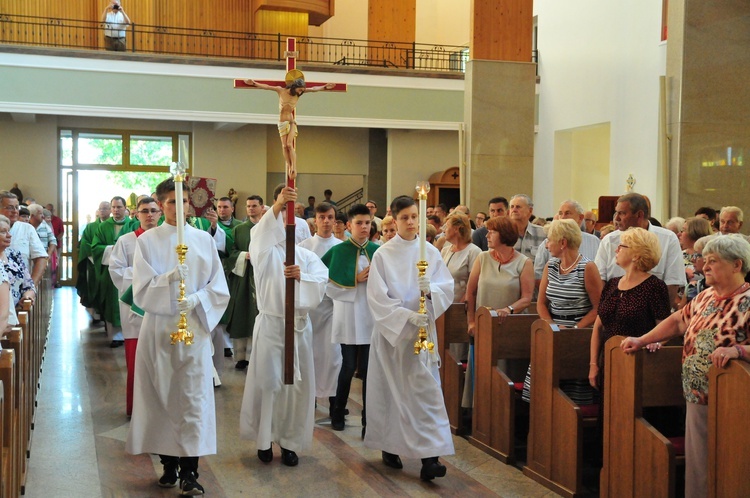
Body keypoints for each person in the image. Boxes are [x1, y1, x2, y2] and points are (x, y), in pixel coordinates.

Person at [620, 234, 750, 498]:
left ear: (737, 265)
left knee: (733, 464)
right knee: (699, 462)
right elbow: (679, 321)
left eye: (714, 261)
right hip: (697, 394)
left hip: (736, 401)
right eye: (705, 260)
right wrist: (642, 340)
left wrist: (738, 350)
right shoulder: (704, 297)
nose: (704, 266)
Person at [126, 178, 229, 496]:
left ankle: (191, 471)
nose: (177, 208)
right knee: (162, 396)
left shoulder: (203, 240)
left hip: (195, 329)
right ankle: (168, 466)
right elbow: (141, 290)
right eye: (170, 202)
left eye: (183, 202)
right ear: (160, 205)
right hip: (159, 329)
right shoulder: (148, 241)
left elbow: (218, 286)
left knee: (192, 398)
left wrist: (197, 299)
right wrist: (168, 279)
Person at [365, 195, 455, 481]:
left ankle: (431, 458)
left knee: (426, 393)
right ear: (393, 219)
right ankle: (390, 446)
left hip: (423, 336)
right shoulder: (383, 254)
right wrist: (404, 317)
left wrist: (432, 292)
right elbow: (378, 298)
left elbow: (446, 288)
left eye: (415, 216)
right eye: (404, 217)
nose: (411, 222)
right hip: (395, 336)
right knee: (394, 394)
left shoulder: (430, 251)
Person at [239, 185, 327, 467]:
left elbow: (321, 283)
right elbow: (260, 234)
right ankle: (265, 440)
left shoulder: (307, 256)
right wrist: (277, 204)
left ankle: (289, 443)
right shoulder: (264, 252)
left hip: (299, 328)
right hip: (273, 326)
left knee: (295, 389)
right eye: (279, 222)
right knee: (270, 383)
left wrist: (303, 277)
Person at [522, 219, 603, 404]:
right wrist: (551, 327)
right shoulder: (551, 266)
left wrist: (574, 329)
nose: (546, 244)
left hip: (578, 332)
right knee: (541, 393)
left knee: (571, 396)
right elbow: (541, 303)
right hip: (552, 331)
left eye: (549, 240)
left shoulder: (587, 267)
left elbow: (599, 308)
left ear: (563, 242)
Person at [589, 227, 672, 390]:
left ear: (637, 254)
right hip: (609, 360)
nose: (616, 249)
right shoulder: (612, 284)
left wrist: (656, 343)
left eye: (622, 246)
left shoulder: (655, 286)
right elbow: (598, 327)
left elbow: (665, 328)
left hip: (637, 362)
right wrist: (593, 363)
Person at [321, 204, 378, 436]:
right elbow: (326, 286)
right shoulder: (339, 251)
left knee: (366, 369)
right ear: (348, 226)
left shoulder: (378, 250)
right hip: (347, 315)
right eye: (359, 223)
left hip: (370, 317)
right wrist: (354, 279)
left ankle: (368, 419)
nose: (364, 227)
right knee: (346, 367)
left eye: (367, 223)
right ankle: (337, 411)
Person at [465, 215, 534, 406]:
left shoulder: (523, 262)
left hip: (509, 328)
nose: (487, 235)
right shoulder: (483, 258)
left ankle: (505, 414)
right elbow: (470, 293)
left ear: (504, 235)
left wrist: (509, 309)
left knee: (505, 374)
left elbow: (527, 298)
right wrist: (471, 321)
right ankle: (480, 415)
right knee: (483, 371)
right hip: (484, 326)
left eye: (492, 232)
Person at [108, 197, 160, 416]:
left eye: (153, 211)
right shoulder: (126, 241)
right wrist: (145, 277)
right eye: (144, 211)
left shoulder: (168, 240)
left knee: (161, 362)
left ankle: (159, 411)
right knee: (136, 361)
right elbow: (116, 270)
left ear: (160, 213)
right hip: (135, 308)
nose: (149, 215)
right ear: (136, 214)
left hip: (161, 308)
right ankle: (136, 410)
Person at [595, 192, 686, 308]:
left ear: (639, 215)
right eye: (616, 212)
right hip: (614, 312)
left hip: (652, 315)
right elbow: (600, 280)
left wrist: (658, 317)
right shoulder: (609, 241)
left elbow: (672, 282)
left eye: (622, 213)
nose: (616, 218)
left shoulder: (668, 239)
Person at [298, 202, 342, 416]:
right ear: (315, 220)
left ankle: (335, 404)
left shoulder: (342, 246)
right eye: (322, 217)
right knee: (310, 355)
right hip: (310, 309)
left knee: (333, 357)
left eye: (330, 217)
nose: (326, 221)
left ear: (335, 220)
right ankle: (310, 399)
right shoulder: (304, 246)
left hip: (333, 309)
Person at [244, 77, 335, 179]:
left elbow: (313, 89)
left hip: (291, 122)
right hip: (282, 122)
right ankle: (288, 165)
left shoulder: (298, 95)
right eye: (300, 89)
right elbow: (267, 87)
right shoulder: (281, 90)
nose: (301, 92)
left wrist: (325, 87)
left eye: (302, 90)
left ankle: (293, 167)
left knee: (289, 144)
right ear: (294, 86)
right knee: (284, 146)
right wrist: (253, 83)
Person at [224, 196, 263, 370]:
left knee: (257, 314)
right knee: (243, 314)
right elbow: (231, 252)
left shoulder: (267, 228)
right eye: (248, 206)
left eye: (254, 206)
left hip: (262, 276)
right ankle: (241, 357)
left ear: (262, 207)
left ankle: (257, 356)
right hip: (244, 275)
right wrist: (243, 255)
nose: (251, 209)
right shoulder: (239, 229)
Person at [91, 196, 136, 347]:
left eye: (119, 207)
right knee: (112, 303)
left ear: (125, 208)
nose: (116, 210)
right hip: (111, 272)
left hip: (130, 270)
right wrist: (114, 249)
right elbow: (95, 247)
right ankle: (115, 336)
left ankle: (130, 335)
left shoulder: (133, 225)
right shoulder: (103, 227)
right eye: (114, 207)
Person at [534, 200, 600, 283]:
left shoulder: (594, 241)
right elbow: (538, 274)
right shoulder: (547, 243)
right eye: (560, 213)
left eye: (567, 213)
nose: (563, 217)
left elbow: (600, 273)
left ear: (580, 218)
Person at [0, 191, 47, 286]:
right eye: (9, 207)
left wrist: (31, 287)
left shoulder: (27, 228)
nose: (15, 211)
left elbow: (41, 258)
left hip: (20, 292)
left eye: (16, 207)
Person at [441, 212, 481, 304]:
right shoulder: (445, 250)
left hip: (462, 305)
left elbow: (474, 285)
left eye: (447, 227)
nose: (444, 231)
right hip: (443, 303)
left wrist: (460, 305)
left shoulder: (474, 252)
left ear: (456, 229)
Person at [508, 194, 546, 261]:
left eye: (518, 207)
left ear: (530, 211)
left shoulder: (543, 234)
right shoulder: (502, 233)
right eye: (512, 207)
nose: (514, 210)